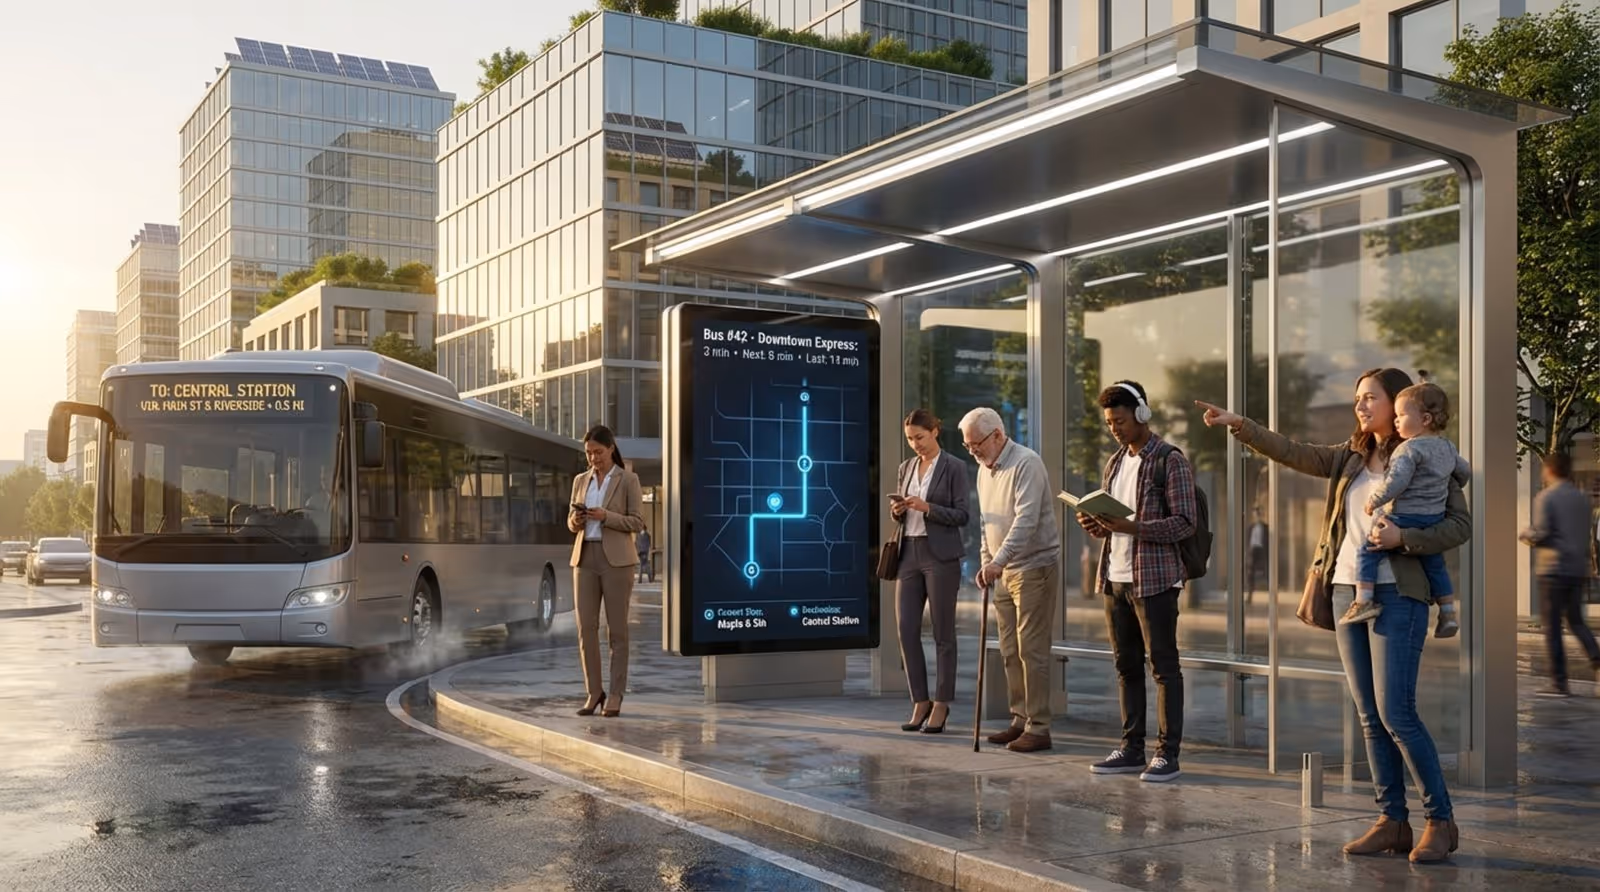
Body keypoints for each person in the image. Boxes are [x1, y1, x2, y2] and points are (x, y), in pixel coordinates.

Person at [1196, 367, 1470, 864]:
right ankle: (1391, 821)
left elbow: (1459, 526)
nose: (1361, 406)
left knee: (1397, 714)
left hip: (1398, 593)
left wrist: (1403, 539)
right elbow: (1294, 451)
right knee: (1369, 716)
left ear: (1399, 402)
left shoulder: (1429, 458)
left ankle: (1440, 820)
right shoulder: (1350, 457)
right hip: (1347, 590)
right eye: (1357, 399)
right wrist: (1241, 424)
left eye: (1370, 398)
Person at [1078, 382, 1197, 784]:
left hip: (1155, 581)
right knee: (1126, 666)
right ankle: (1131, 748)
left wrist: (1132, 526)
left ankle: (1168, 754)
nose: (1115, 428)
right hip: (1115, 578)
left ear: (1142, 414)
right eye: (1110, 423)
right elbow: (1116, 528)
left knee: (1163, 667)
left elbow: (1184, 523)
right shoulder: (1114, 462)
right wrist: (1097, 525)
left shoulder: (1170, 461)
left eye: (1121, 420)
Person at [960, 407, 1060, 753]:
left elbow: (1025, 521)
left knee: (1032, 650)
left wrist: (998, 562)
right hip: (1003, 571)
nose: (973, 451)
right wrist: (989, 563)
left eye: (977, 444)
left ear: (998, 436)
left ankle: (1039, 726)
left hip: (1034, 567)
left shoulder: (1026, 464)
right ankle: (1019, 719)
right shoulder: (984, 470)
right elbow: (988, 523)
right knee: (1009, 650)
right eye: (967, 446)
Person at [1348, 383, 1471, 637]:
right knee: (1435, 564)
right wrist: (1450, 484)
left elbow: (1397, 482)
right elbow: (1463, 471)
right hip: (1433, 516)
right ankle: (1447, 613)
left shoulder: (1408, 449)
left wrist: (1375, 500)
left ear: (1424, 419)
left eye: (1401, 416)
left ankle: (1363, 601)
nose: (1395, 422)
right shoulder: (1447, 447)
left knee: (1367, 549)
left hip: (1405, 516)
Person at [890, 409, 971, 735]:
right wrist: (898, 510)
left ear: (935, 431)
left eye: (920, 437)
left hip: (941, 556)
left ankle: (941, 703)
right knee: (907, 629)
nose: (915, 445)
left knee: (943, 634)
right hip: (908, 552)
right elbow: (902, 516)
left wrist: (928, 508)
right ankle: (919, 700)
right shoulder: (906, 467)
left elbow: (963, 515)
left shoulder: (955, 467)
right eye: (910, 439)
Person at [567, 425, 645, 718]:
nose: (593, 459)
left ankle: (615, 694)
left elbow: (637, 522)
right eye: (588, 454)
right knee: (586, 630)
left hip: (617, 562)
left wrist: (605, 517)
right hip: (584, 557)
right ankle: (594, 692)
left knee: (617, 632)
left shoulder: (628, 480)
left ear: (611, 448)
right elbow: (570, 524)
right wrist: (576, 520)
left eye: (597, 452)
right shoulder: (580, 480)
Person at [1520, 452, 1600, 697]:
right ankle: (1597, 660)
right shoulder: (1582, 499)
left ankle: (1559, 682)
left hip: (1553, 569)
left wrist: (1526, 534)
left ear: (1550, 470)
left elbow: (1542, 532)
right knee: (1576, 621)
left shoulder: (1546, 497)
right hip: (1577, 568)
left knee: (1552, 626)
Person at [1246, 510, 1268, 600]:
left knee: (1266, 571)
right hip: (1252, 550)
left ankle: (1269, 592)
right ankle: (1250, 594)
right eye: (1254, 515)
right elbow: (1248, 540)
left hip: (1261, 550)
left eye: (1257, 515)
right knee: (1250, 572)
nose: (1256, 517)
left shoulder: (1265, 527)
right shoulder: (1251, 527)